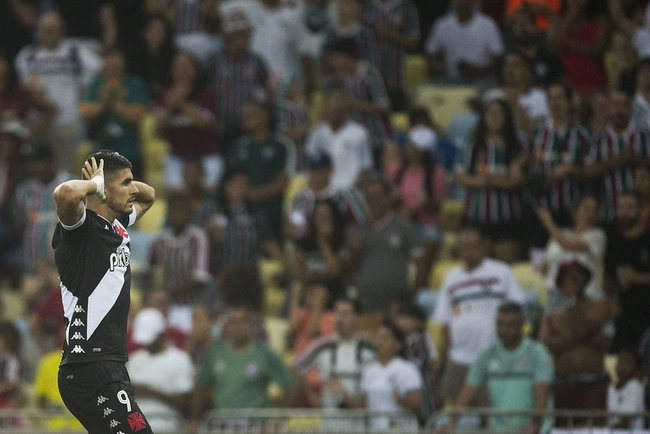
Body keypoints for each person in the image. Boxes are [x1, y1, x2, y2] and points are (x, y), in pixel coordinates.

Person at [52, 150, 156, 433]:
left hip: (110, 366)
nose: (133, 189)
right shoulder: (80, 229)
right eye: (125, 183)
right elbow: (65, 194)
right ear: (102, 190)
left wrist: (119, 185)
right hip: (88, 365)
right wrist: (97, 185)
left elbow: (150, 195)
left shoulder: (118, 226)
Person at [432, 226, 525, 406]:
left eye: (473, 246)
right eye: (463, 247)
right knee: (459, 411)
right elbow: (444, 321)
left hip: (495, 356)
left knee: (493, 410)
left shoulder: (501, 272)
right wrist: (449, 355)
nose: (468, 252)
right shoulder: (451, 277)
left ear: (485, 246)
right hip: (459, 358)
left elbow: (517, 309)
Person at [437, 303, 553, 434]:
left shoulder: (537, 353)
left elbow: (542, 393)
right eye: (499, 324)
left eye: (510, 325)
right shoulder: (486, 354)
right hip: (499, 430)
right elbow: (469, 390)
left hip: (533, 430)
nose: (503, 330)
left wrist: (535, 424)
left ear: (522, 325)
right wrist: (452, 423)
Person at [14, 11, 101, 171]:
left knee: (66, 170)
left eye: (54, 29)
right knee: (38, 169)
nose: (50, 34)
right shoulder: (27, 56)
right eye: (45, 29)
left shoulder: (75, 51)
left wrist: (85, 88)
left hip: (68, 121)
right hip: (39, 122)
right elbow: (24, 89)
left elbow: (98, 70)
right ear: (38, 30)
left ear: (62, 30)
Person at [187, 304, 295, 434]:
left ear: (249, 324)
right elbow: (201, 386)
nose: (238, 326)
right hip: (223, 425)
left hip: (255, 426)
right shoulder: (215, 353)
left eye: (242, 321)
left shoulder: (263, 353)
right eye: (233, 321)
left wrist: (278, 420)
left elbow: (291, 386)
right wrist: (195, 419)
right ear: (227, 326)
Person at [540, 259, 612, 426]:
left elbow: (594, 334)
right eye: (568, 277)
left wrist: (574, 307)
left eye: (577, 276)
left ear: (586, 280)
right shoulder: (551, 314)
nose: (573, 281)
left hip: (593, 384)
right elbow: (546, 344)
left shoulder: (600, 305)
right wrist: (579, 338)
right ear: (560, 282)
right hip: (562, 384)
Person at [454, 99, 527, 263]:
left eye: (499, 112)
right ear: (483, 118)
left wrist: (497, 181)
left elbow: (520, 180)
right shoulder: (473, 144)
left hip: (508, 219)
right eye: (490, 113)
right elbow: (459, 176)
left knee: (505, 270)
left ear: (507, 117)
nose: (495, 117)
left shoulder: (518, 144)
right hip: (476, 218)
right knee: (477, 271)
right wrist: (486, 182)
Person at [345, 175, 426, 325]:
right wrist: (355, 252)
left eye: (378, 195)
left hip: (396, 306)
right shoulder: (356, 230)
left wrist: (412, 297)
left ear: (388, 197)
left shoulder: (404, 227)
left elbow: (421, 266)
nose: (374, 200)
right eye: (369, 196)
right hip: (366, 305)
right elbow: (347, 270)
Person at [527, 82, 591, 249]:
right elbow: (527, 165)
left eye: (560, 98)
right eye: (551, 99)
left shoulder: (582, 135)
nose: (555, 103)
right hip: (540, 209)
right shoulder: (537, 132)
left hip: (570, 209)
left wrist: (572, 170)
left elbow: (592, 170)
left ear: (570, 103)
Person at [384, 125, 447, 285]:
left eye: (414, 147)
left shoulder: (436, 172)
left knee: (429, 239)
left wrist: (419, 207)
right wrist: (395, 202)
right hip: (398, 221)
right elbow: (386, 200)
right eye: (409, 146)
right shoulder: (396, 170)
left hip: (424, 224)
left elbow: (438, 205)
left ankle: (419, 287)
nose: (409, 150)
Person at [143, 191, 212, 333]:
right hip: (164, 306)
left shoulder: (198, 237)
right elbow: (147, 271)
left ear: (189, 213)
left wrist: (166, 294)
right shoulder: (159, 240)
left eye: (183, 210)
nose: (179, 214)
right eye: (175, 210)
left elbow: (200, 278)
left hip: (190, 306)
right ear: (168, 213)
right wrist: (153, 296)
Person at [79, 46, 150, 179]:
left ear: (124, 61)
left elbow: (137, 117)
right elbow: (85, 113)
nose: (112, 62)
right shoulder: (95, 84)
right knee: (101, 198)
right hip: (100, 154)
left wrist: (116, 102)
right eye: (108, 58)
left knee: (132, 197)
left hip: (130, 152)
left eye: (116, 57)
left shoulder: (134, 83)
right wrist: (103, 102)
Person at [292, 296, 375, 409]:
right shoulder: (323, 345)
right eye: (337, 313)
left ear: (357, 318)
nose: (339, 319)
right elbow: (295, 368)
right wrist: (312, 396)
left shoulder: (369, 347)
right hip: (331, 420)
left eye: (345, 314)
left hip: (361, 420)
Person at [228, 100, 295, 239]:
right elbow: (231, 178)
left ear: (265, 117)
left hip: (272, 211)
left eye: (250, 115)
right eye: (244, 116)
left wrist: (256, 195)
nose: (245, 119)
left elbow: (283, 181)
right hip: (243, 214)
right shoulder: (239, 146)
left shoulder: (281, 145)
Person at [155, 51, 221, 190]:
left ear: (195, 70)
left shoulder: (206, 94)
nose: (182, 70)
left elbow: (206, 125)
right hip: (177, 156)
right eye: (178, 66)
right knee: (175, 194)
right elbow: (158, 131)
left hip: (206, 155)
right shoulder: (164, 96)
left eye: (187, 65)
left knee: (210, 190)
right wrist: (169, 107)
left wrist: (182, 104)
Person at [9, 143, 72, 283]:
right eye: (31, 163)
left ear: (51, 161)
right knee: (30, 297)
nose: (35, 167)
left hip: (68, 270)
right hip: (33, 269)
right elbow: (20, 227)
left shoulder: (72, 187)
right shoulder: (23, 192)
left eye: (39, 162)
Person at [584, 89, 650, 222]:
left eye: (624, 105)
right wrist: (612, 163)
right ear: (608, 108)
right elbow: (586, 171)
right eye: (615, 105)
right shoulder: (598, 138)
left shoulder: (644, 135)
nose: (619, 110)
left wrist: (635, 160)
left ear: (630, 108)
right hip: (608, 213)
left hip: (642, 214)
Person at [126, 308, 195, 433]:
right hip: (136, 426)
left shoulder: (179, 359)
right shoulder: (134, 360)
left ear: (162, 334)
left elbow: (186, 402)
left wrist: (150, 391)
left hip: (167, 425)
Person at [208, 167, 284, 277]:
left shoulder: (255, 214)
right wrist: (208, 231)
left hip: (248, 276)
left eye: (244, 184)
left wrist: (284, 263)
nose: (240, 187)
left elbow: (269, 242)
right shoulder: (210, 211)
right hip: (219, 274)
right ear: (225, 185)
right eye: (236, 183)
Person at [325, 38, 392, 159]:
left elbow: (384, 106)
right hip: (356, 141)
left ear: (346, 57)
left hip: (376, 139)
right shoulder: (345, 78)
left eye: (335, 59)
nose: (332, 64)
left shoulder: (370, 75)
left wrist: (355, 104)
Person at [536, 195, 606, 307]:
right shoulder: (560, 234)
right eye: (586, 209)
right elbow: (544, 267)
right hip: (554, 292)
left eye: (595, 211)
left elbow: (567, 244)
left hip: (584, 294)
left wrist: (547, 221)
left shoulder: (597, 235)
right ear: (575, 212)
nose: (590, 214)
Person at [604, 190, 650, 352]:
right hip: (624, 314)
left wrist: (638, 278)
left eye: (630, 207)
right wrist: (610, 301)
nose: (624, 213)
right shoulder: (614, 242)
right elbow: (608, 278)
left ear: (642, 209)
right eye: (620, 207)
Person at [358, 322, 423, 431]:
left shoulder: (407, 368)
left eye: (385, 338)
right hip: (376, 429)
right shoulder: (369, 370)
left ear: (398, 344)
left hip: (401, 429)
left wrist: (400, 399)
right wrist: (345, 394)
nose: (379, 342)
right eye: (377, 337)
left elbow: (417, 406)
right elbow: (362, 405)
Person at [305, 90, 374, 190]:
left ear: (347, 109)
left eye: (340, 108)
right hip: (324, 189)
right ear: (327, 108)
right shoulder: (317, 132)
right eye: (334, 107)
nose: (336, 111)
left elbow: (366, 167)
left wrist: (354, 190)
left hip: (349, 188)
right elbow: (311, 163)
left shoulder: (359, 132)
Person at [425, 0, 504, 82]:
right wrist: (438, 66)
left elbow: (498, 57)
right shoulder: (442, 25)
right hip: (449, 79)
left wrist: (479, 70)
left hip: (481, 79)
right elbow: (430, 54)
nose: (463, 2)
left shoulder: (488, 25)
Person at [362, 0, 420, 110]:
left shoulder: (406, 7)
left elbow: (413, 42)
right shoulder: (367, 6)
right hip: (369, 75)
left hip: (395, 75)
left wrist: (386, 33)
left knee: (396, 114)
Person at [546, 0, 610, 96]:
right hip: (567, 84)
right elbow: (554, 46)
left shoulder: (599, 19)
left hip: (595, 80)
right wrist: (570, 17)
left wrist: (568, 44)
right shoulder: (558, 20)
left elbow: (598, 49)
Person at [483, 51, 549, 134]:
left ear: (527, 68)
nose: (510, 70)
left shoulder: (539, 96)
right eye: (507, 65)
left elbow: (535, 133)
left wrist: (514, 104)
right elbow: (484, 130)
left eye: (516, 65)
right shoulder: (492, 95)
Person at [395, 303, 437, 424]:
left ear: (418, 322)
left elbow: (430, 362)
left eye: (406, 318)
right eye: (400, 318)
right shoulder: (401, 341)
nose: (401, 322)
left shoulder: (423, 339)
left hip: (423, 384)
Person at [607, 348, 645, 430]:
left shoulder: (635, 387)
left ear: (637, 369)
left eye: (628, 363)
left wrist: (604, 429)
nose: (622, 367)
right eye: (620, 362)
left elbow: (626, 422)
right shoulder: (611, 388)